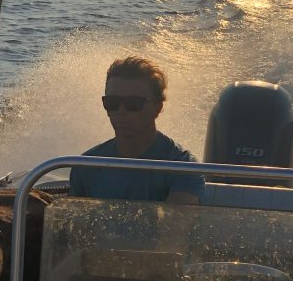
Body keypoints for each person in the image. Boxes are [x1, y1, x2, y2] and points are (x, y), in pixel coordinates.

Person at [69, 56, 203, 203]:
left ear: (157, 108)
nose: (121, 111)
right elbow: (76, 223)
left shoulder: (182, 168)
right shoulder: (85, 167)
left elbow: (176, 223)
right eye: (112, 102)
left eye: (133, 103)